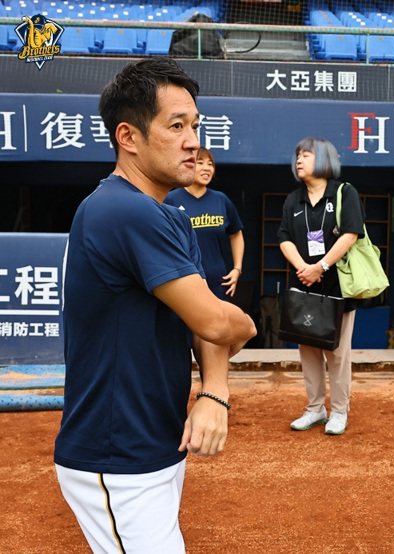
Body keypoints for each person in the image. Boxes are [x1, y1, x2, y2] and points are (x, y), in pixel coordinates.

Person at [54, 58, 257, 553]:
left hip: (155, 441)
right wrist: (247, 322)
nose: (193, 140)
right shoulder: (122, 209)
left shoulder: (167, 215)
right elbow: (216, 319)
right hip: (117, 453)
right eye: (176, 126)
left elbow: (205, 321)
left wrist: (214, 390)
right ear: (128, 136)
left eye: (195, 125)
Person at [277, 137, 364, 436]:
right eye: (297, 155)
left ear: (325, 158)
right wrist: (303, 267)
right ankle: (315, 408)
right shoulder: (293, 199)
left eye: (306, 155)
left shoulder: (344, 192)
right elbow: (284, 237)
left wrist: (321, 267)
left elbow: (351, 234)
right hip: (303, 285)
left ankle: (339, 410)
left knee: (338, 354)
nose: (299, 160)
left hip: (337, 286)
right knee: (308, 349)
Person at [165, 147, 245, 299]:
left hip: (218, 282)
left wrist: (237, 269)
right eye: (200, 163)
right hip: (183, 281)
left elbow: (236, 234)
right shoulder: (170, 200)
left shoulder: (221, 200)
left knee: (218, 323)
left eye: (210, 164)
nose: (206, 168)